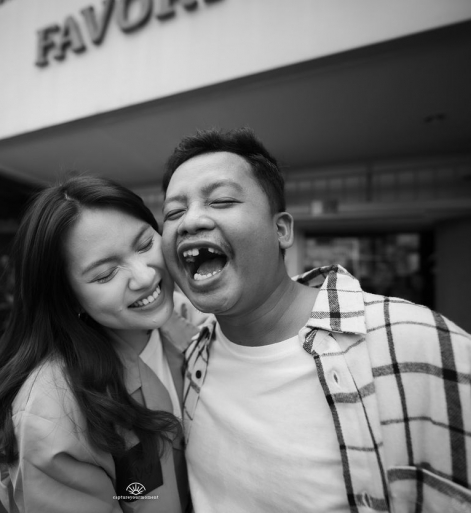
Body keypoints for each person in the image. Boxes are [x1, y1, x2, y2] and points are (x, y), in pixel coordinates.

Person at [160, 127, 471, 512]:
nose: (189, 222)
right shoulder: (191, 360)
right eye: (174, 212)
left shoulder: (418, 342)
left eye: (221, 200)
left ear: (281, 230)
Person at [0, 175, 201, 513]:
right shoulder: (55, 408)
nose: (145, 276)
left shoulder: (191, 321)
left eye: (144, 244)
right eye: (105, 274)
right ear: (68, 297)